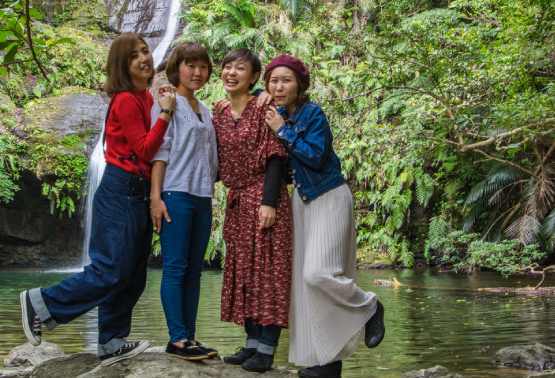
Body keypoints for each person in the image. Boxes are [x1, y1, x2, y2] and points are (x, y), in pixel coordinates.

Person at [18, 32, 177, 367]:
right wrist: (165, 114)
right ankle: (42, 302)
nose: (144, 58)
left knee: (132, 274)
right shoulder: (125, 100)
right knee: (111, 270)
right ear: (122, 64)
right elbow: (146, 149)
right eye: (134, 55)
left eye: (146, 51)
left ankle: (111, 341)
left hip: (135, 191)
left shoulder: (143, 97)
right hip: (120, 189)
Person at [262, 54, 385, 378]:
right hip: (302, 202)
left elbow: (316, 157)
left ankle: (369, 306)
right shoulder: (278, 115)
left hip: (328, 196)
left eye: (286, 80)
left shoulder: (311, 113)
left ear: (299, 84)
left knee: (318, 275)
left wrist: (283, 131)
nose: (279, 86)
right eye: (273, 80)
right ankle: (326, 364)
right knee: (306, 289)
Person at [212, 48, 293, 373]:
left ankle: (267, 348)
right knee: (243, 273)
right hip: (238, 202)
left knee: (269, 274)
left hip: (264, 197)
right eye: (227, 67)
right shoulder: (218, 114)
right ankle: (251, 344)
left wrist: (269, 202)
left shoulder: (265, 107)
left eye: (240, 68)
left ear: (254, 77)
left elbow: (275, 156)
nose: (231, 73)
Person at [149, 41, 219, 361]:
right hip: (175, 194)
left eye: (203, 66)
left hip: (202, 196)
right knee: (175, 268)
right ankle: (177, 338)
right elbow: (159, 153)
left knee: (193, 272)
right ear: (177, 67)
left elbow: (211, 159)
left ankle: (190, 337)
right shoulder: (167, 102)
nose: (197, 72)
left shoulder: (204, 109)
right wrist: (156, 197)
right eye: (190, 65)